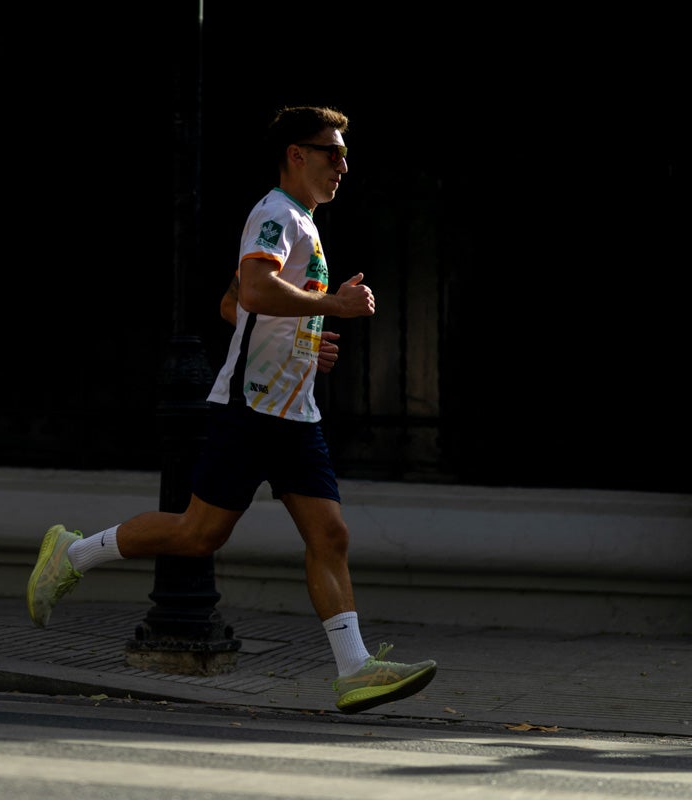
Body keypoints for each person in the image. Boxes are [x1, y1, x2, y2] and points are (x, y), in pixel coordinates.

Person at [27, 105, 437, 714]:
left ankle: (354, 670)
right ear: (296, 154)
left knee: (330, 533)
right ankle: (73, 553)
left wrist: (307, 335)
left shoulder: (302, 222)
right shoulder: (275, 214)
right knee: (196, 535)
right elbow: (249, 291)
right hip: (249, 410)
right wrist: (334, 305)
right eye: (333, 153)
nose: (343, 166)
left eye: (345, 155)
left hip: (295, 413)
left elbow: (232, 306)